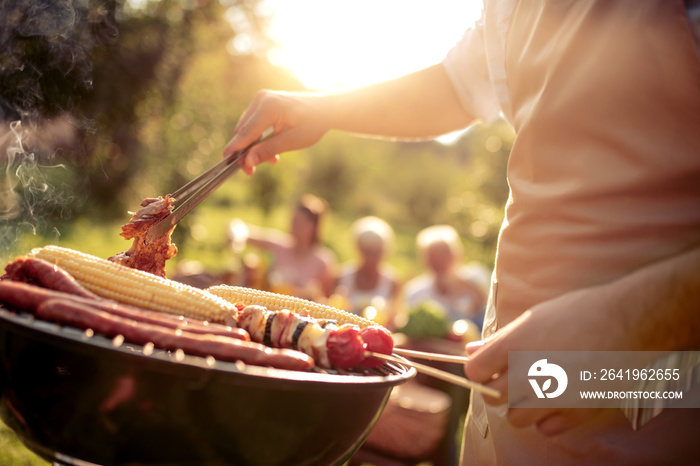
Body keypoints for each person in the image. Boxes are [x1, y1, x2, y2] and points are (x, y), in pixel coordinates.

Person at [221, 1, 700, 464]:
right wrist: (324, 108)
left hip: (650, 387)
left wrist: (634, 321)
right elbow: (459, 84)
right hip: (506, 415)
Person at [227, 194, 337, 301]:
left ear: (313, 227)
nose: (293, 226)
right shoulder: (279, 245)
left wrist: (313, 296)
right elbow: (241, 229)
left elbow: (328, 301)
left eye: (300, 222)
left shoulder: (324, 261)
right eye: (293, 220)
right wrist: (235, 237)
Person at [405, 224, 488, 330]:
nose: (439, 261)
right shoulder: (415, 291)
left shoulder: (476, 275)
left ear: (457, 255)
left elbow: (486, 308)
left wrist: (460, 284)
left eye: (444, 255)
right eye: (433, 256)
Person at [335, 216, 402, 329]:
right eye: (367, 251)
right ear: (358, 249)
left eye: (376, 251)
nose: (371, 257)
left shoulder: (393, 282)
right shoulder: (341, 276)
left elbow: (396, 320)